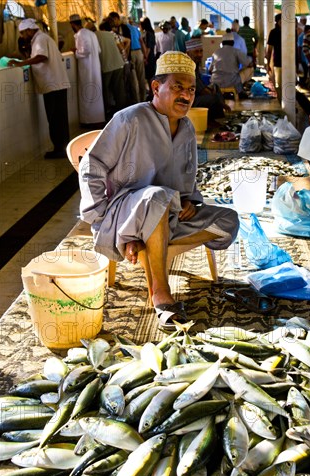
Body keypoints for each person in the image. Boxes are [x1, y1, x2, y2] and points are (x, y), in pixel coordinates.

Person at [78, 51, 239, 329]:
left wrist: (189, 201)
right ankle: (160, 292)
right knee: (158, 196)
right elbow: (91, 166)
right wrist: (101, 217)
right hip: (123, 211)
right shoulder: (130, 119)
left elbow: (188, 175)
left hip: (171, 213)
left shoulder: (187, 128)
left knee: (229, 221)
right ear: (156, 87)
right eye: (177, 87)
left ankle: (148, 241)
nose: (186, 96)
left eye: (190, 89)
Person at [8, 18, 70, 159]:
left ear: (29, 30)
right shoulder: (43, 38)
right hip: (57, 83)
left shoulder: (40, 39)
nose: (23, 37)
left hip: (52, 84)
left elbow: (42, 56)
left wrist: (21, 63)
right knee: (60, 118)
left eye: (23, 33)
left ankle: (59, 149)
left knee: (55, 118)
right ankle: (64, 147)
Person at [69, 14, 105, 127]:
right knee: (95, 93)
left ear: (72, 25)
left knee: (88, 93)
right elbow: (98, 50)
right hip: (95, 67)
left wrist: (75, 52)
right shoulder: (91, 33)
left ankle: (89, 121)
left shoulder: (80, 34)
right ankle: (98, 119)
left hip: (87, 68)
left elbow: (86, 50)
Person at [186, 38, 230, 121]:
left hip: (195, 95)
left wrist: (211, 90)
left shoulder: (195, 64)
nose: (199, 54)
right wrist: (220, 102)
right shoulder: (188, 66)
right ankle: (216, 120)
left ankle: (219, 118)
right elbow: (201, 89)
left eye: (201, 51)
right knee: (213, 99)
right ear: (188, 53)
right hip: (188, 100)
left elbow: (200, 84)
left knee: (215, 87)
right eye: (196, 52)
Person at [95, 18, 128, 119]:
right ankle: (123, 112)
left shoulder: (96, 35)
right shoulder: (112, 34)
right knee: (119, 89)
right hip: (118, 64)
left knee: (105, 91)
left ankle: (107, 112)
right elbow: (125, 43)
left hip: (106, 66)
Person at [209, 31, 249, 98]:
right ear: (233, 43)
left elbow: (210, 70)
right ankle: (240, 91)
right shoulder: (236, 51)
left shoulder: (216, 52)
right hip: (231, 81)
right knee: (249, 69)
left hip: (216, 82)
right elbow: (246, 63)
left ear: (222, 43)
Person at [127, 16, 147, 102]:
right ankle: (143, 99)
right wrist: (145, 55)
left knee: (133, 78)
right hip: (139, 52)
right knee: (141, 77)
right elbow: (141, 42)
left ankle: (137, 100)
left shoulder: (124, 29)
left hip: (130, 53)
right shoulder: (135, 29)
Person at [266, 13, 282, 101]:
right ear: (277, 21)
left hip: (289, 63)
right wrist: (268, 64)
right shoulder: (273, 32)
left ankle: (287, 103)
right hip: (278, 62)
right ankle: (281, 101)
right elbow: (269, 50)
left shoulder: (290, 31)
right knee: (278, 85)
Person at [140, 17, 156, 97]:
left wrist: (146, 57)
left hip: (149, 57)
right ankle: (151, 92)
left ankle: (152, 93)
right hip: (150, 57)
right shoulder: (151, 32)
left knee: (150, 76)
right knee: (150, 76)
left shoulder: (148, 34)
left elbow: (148, 48)